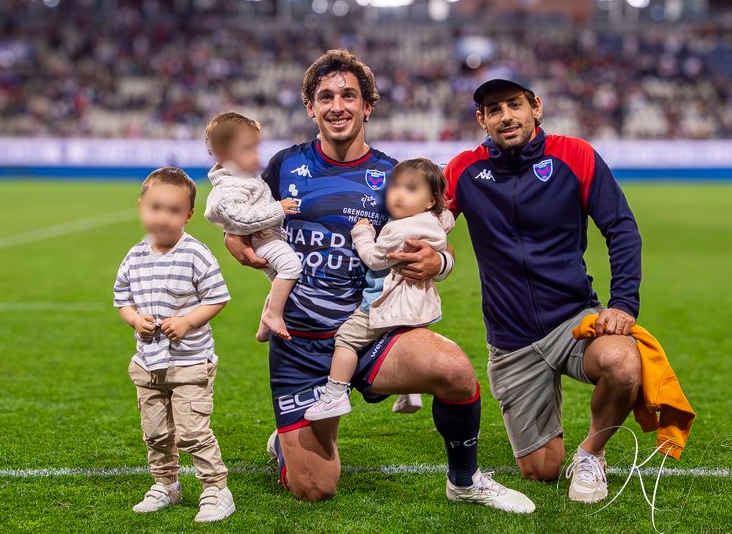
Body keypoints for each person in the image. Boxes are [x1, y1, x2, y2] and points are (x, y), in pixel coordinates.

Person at [223, 49, 534, 513]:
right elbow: (241, 223)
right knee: (315, 488)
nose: (337, 106)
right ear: (310, 107)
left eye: (349, 95)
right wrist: (236, 241)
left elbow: (440, 246)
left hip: (372, 330)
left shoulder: (393, 175)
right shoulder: (284, 166)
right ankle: (289, 442)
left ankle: (465, 480)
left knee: (453, 369)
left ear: (367, 106)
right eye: (326, 97)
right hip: (300, 344)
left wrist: (439, 263)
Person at [443, 77, 644, 504]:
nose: (506, 116)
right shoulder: (464, 170)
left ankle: (591, 452)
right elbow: (426, 220)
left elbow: (621, 227)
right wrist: (431, 253)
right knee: (541, 471)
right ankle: (551, 435)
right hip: (511, 337)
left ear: (536, 107)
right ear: (481, 120)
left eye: (514, 104)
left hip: (573, 319)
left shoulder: (575, 154)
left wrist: (624, 303)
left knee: (624, 362)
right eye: (494, 110)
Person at [113, 167, 235, 522]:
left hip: (190, 363)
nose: (163, 217)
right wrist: (135, 320)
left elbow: (217, 298)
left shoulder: (195, 253)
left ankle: (216, 489)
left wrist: (186, 322)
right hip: (148, 364)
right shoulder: (135, 255)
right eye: (155, 208)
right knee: (156, 433)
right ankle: (165, 484)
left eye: (173, 210)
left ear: (188, 215)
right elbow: (122, 300)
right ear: (141, 206)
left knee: (192, 431)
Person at [304, 158, 456, 420]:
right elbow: (448, 219)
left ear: (430, 200)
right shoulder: (437, 220)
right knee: (399, 343)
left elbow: (374, 259)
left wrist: (362, 234)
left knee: (347, 339)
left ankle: (335, 394)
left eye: (410, 189)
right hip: (418, 307)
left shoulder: (398, 230)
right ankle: (410, 390)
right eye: (395, 187)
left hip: (387, 303)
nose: (398, 194)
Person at [203, 112, 302, 341]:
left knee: (279, 281)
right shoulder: (232, 184)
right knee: (291, 267)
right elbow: (239, 217)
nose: (257, 156)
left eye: (256, 147)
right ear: (223, 154)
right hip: (263, 237)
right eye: (247, 149)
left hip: (267, 235)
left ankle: (265, 323)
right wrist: (278, 209)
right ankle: (274, 314)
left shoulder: (243, 177)